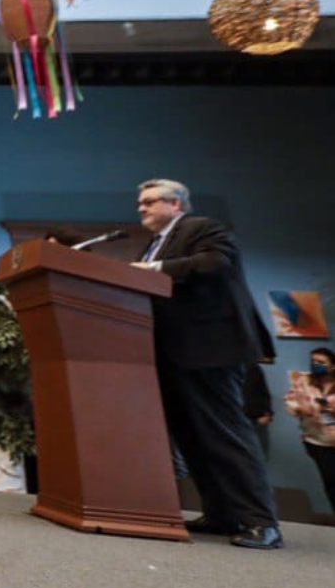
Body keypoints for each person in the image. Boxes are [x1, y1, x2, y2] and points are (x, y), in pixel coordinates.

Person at [131, 178, 281, 549]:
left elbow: (215, 263)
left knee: (225, 433)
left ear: (176, 204)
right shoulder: (153, 243)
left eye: (150, 201)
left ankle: (261, 523)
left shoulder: (202, 227)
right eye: (140, 202)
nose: (141, 207)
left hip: (210, 350)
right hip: (173, 354)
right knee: (193, 436)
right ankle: (221, 514)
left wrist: (154, 269)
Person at [285, 347, 335, 513]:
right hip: (317, 441)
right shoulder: (304, 381)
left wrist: (329, 407)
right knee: (330, 482)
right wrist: (299, 409)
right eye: (313, 361)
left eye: (321, 362)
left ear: (332, 366)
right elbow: (290, 400)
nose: (316, 364)